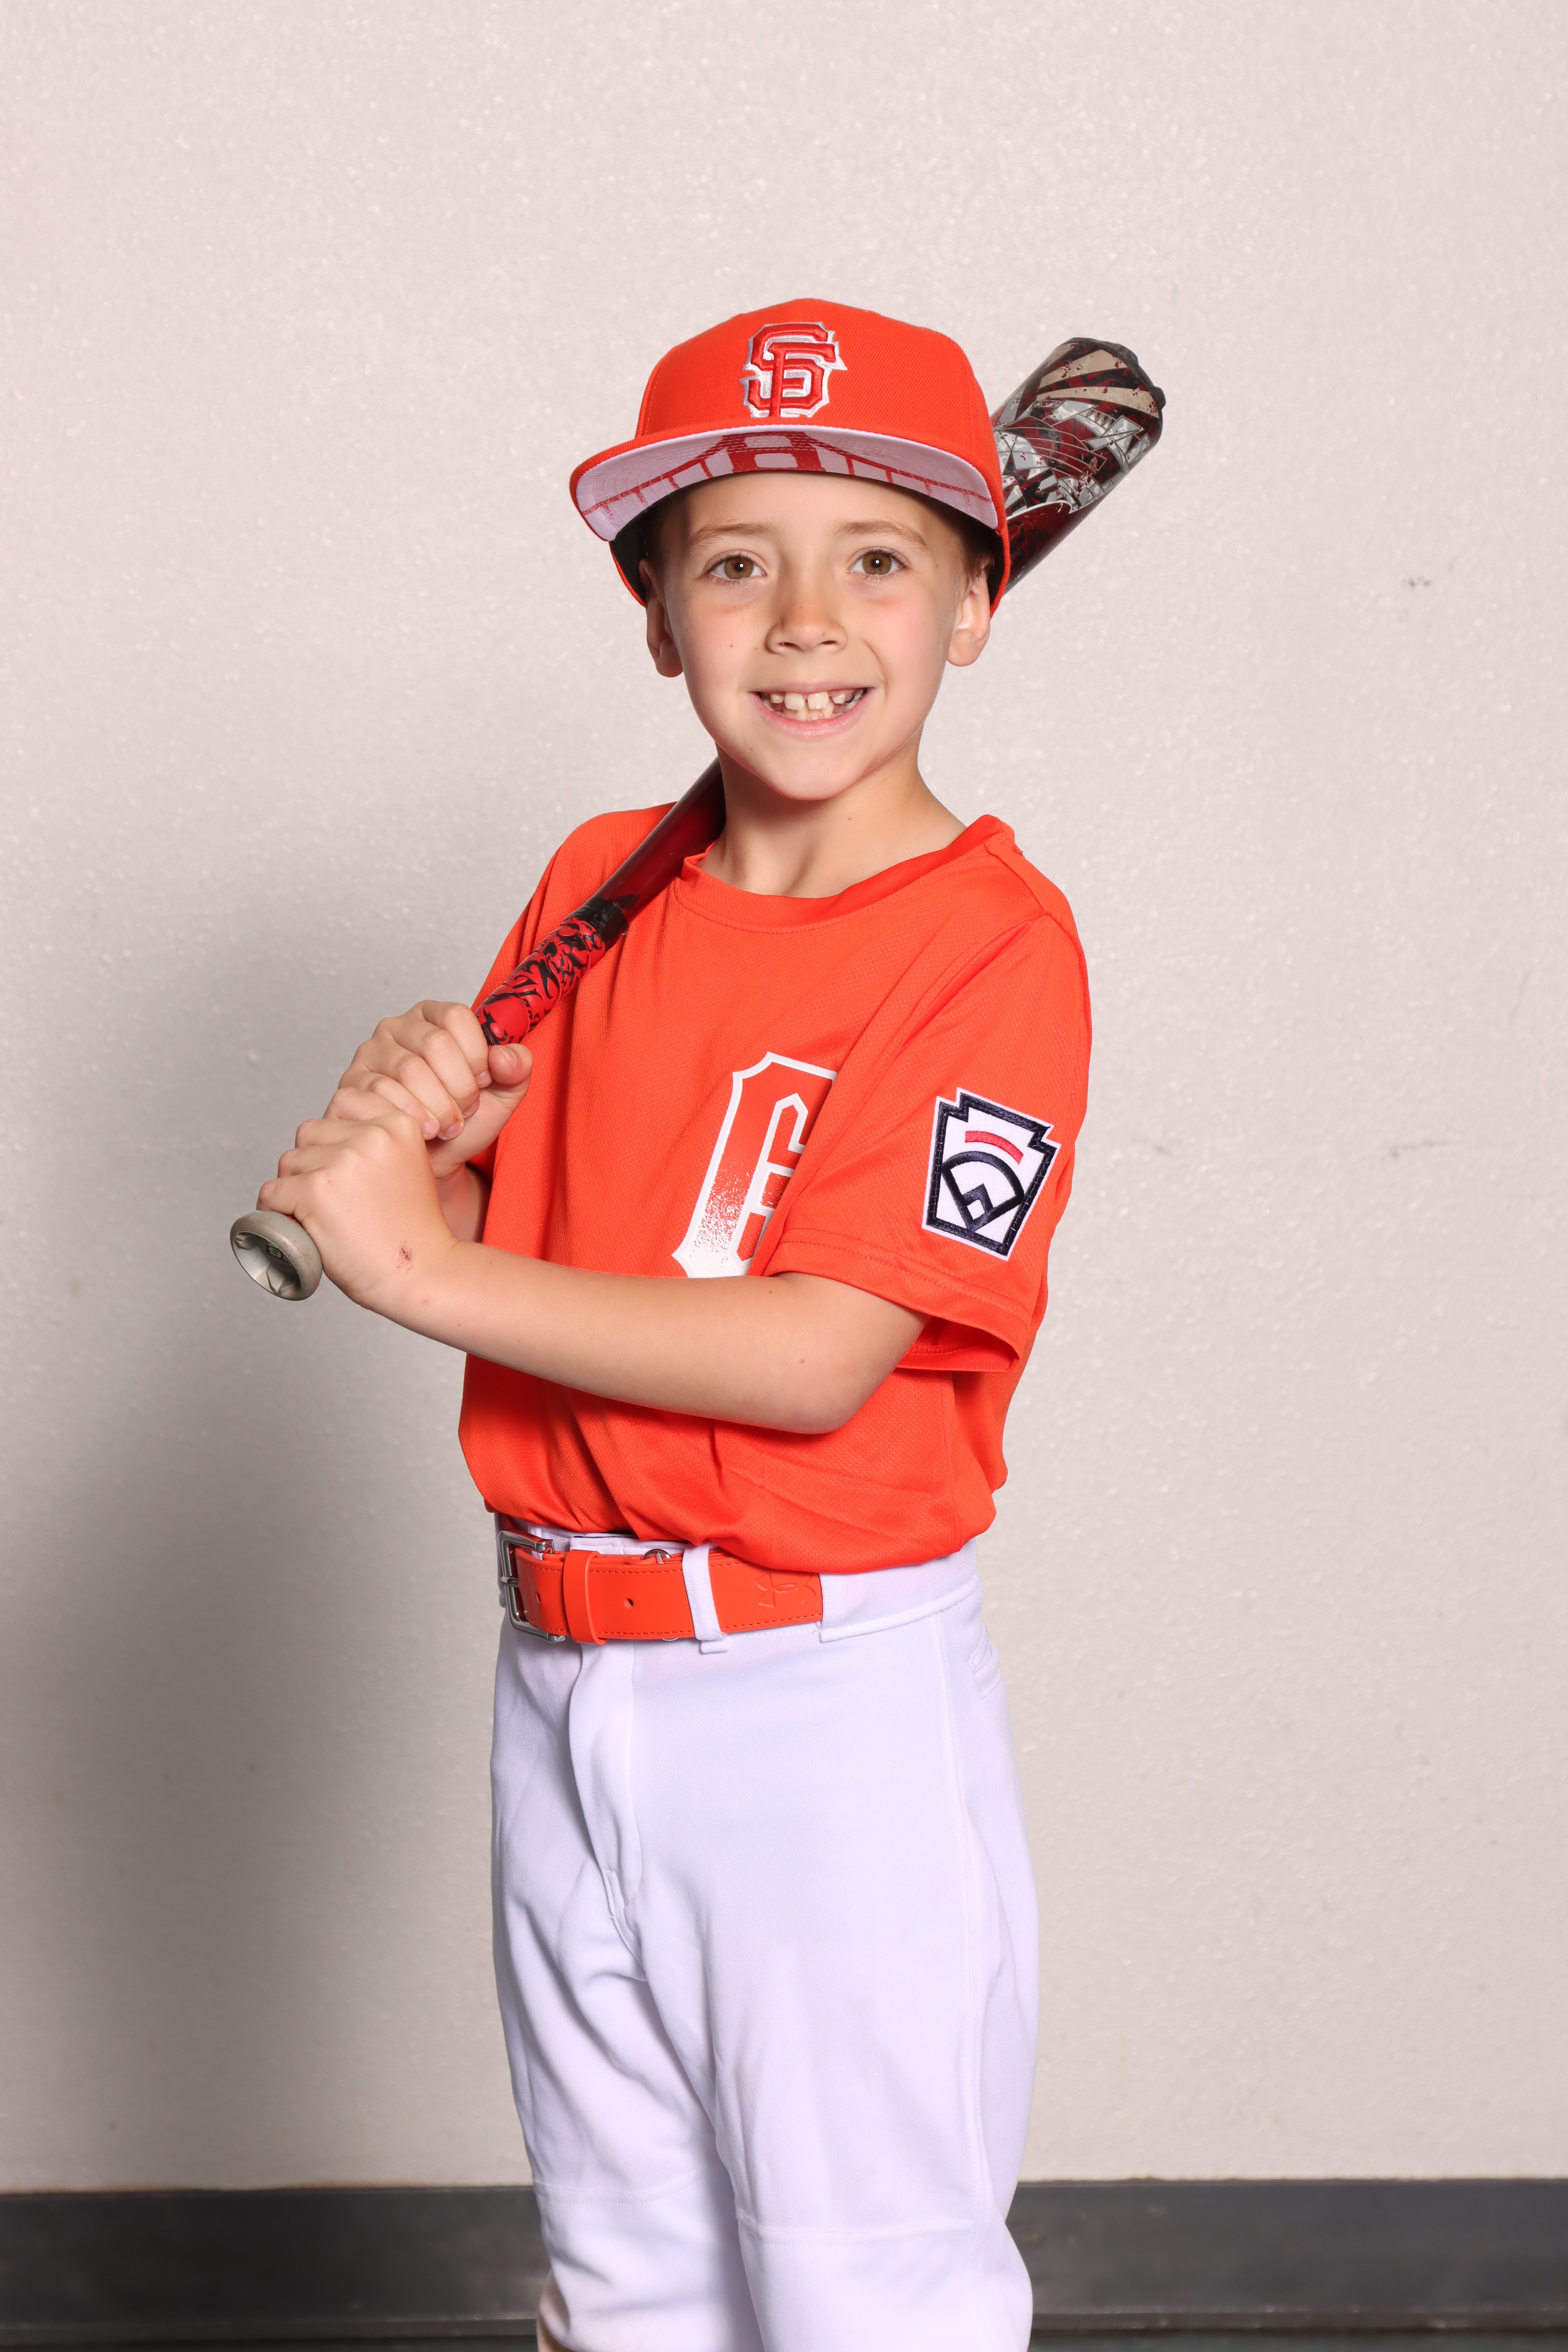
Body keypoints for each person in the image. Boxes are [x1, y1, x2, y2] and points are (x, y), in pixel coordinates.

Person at [259, 298, 1092, 2352]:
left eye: (876, 559)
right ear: (657, 617)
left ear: (975, 603)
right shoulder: (601, 879)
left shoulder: (990, 949)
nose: (804, 621)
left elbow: (817, 1350)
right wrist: (418, 1150)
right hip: (558, 1670)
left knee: (864, 2306)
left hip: (818, 1712)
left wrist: (417, 1268)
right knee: (628, 2292)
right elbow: (534, 1233)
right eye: (735, 563)